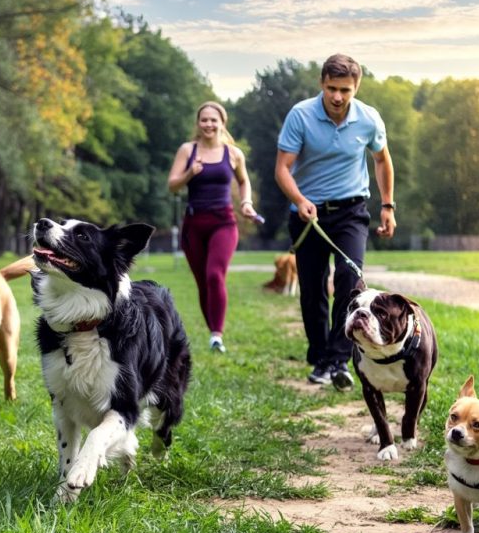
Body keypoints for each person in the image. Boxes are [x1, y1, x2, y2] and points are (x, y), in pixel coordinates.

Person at [274, 54, 396, 392]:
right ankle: (320, 358)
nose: (338, 97)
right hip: (307, 214)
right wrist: (299, 200)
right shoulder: (301, 116)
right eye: (331, 88)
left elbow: (382, 160)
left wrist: (387, 205)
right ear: (321, 84)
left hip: (351, 211)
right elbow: (282, 168)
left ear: (356, 87)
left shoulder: (369, 119)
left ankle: (339, 359)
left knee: (349, 278)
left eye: (345, 90)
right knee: (312, 289)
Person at [168, 101, 259, 353]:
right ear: (198, 123)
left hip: (224, 222)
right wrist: (190, 173)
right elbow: (172, 185)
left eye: (213, 120)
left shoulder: (233, 153)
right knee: (202, 282)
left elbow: (244, 181)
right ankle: (213, 332)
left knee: (214, 275)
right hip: (193, 224)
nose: (208, 124)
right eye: (204, 120)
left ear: (222, 123)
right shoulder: (188, 150)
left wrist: (247, 203)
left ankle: (217, 335)